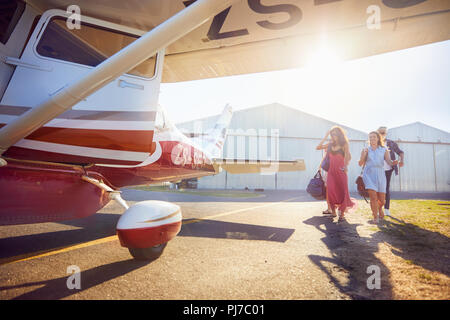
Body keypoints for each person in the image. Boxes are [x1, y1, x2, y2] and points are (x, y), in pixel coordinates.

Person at [316, 126, 355, 222]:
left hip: (341, 171)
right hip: (331, 171)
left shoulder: (344, 144)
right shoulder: (330, 144)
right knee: (331, 190)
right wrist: (325, 137)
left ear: (339, 134)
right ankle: (333, 211)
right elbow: (318, 147)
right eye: (331, 134)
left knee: (342, 191)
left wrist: (345, 166)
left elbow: (347, 156)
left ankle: (341, 213)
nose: (333, 136)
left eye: (335, 134)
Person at [359, 131, 398, 224]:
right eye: (370, 137)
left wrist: (394, 162)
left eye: (374, 137)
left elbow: (389, 162)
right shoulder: (366, 149)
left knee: (382, 200)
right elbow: (360, 163)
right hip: (369, 174)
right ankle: (375, 217)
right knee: (373, 197)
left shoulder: (384, 149)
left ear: (378, 138)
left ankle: (380, 208)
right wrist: (363, 155)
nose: (372, 139)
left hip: (380, 174)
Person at [377, 127, 404, 216]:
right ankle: (378, 209)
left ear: (386, 133)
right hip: (377, 169)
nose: (382, 134)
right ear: (378, 133)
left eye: (383, 132)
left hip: (388, 169)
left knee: (386, 188)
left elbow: (400, 152)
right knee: (377, 189)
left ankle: (387, 209)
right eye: (380, 132)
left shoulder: (391, 143)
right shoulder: (375, 143)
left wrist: (401, 160)